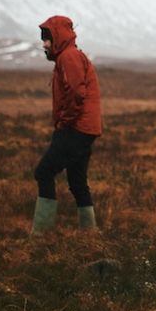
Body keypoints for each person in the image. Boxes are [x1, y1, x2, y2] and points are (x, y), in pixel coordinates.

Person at [32, 15, 102, 234]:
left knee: (44, 172)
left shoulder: (68, 57)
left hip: (76, 128)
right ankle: (89, 232)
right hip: (85, 128)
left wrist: (65, 122)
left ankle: (42, 233)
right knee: (77, 181)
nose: (44, 44)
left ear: (58, 37)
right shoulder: (69, 55)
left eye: (47, 39)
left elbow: (75, 94)